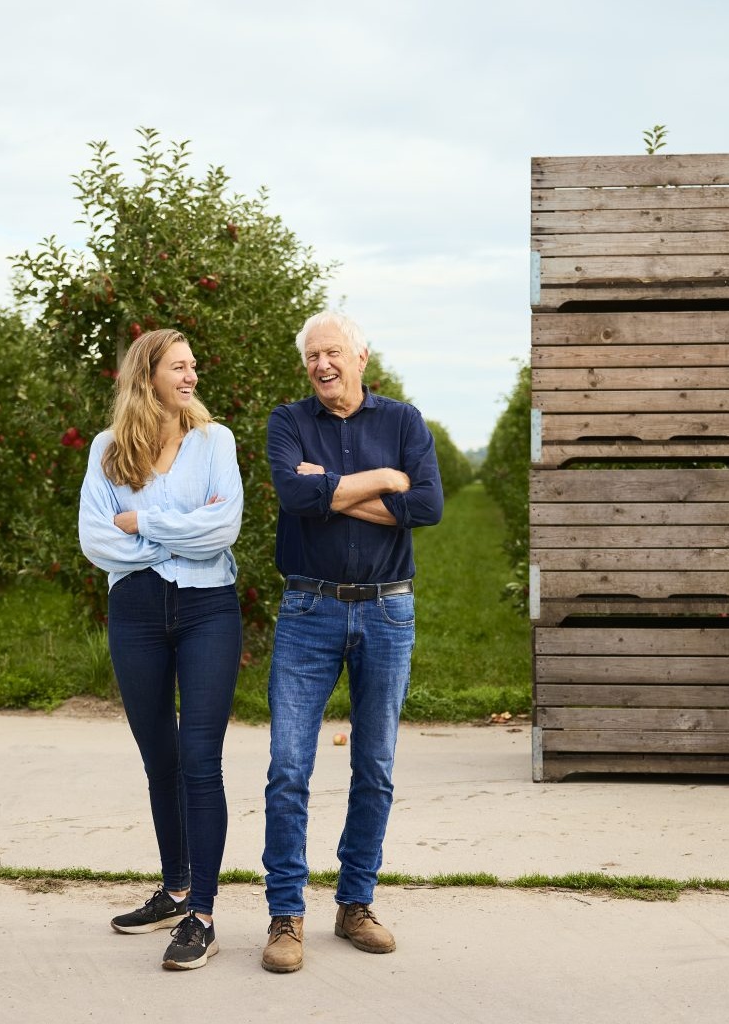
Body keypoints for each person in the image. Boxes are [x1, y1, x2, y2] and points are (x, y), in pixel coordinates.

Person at [259, 310, 444, 974]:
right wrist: (384, 482)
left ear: (362, 355)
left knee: (376, 769)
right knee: (288, 768)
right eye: (312, 356)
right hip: (308, 608)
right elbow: (290, 491)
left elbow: (427, 507)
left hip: (387, 614)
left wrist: (330, 491)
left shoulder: (404, 422)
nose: (322, 365)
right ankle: (287, 913)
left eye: (332, 351)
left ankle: (355, 903)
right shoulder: (289, 421)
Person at [78, 329, 244, 972]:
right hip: (137, 615)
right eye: (180, 366)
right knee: (159, 757)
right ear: (147, 376)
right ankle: (174, 890)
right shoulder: (108, 449)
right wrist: (181, 539)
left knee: (201, 759)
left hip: (209, 610)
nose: (192, 376)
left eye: (194, 366)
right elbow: (96, 540)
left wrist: (143, 522)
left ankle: (202, 914)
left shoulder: (214, 441)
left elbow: (224, 529)